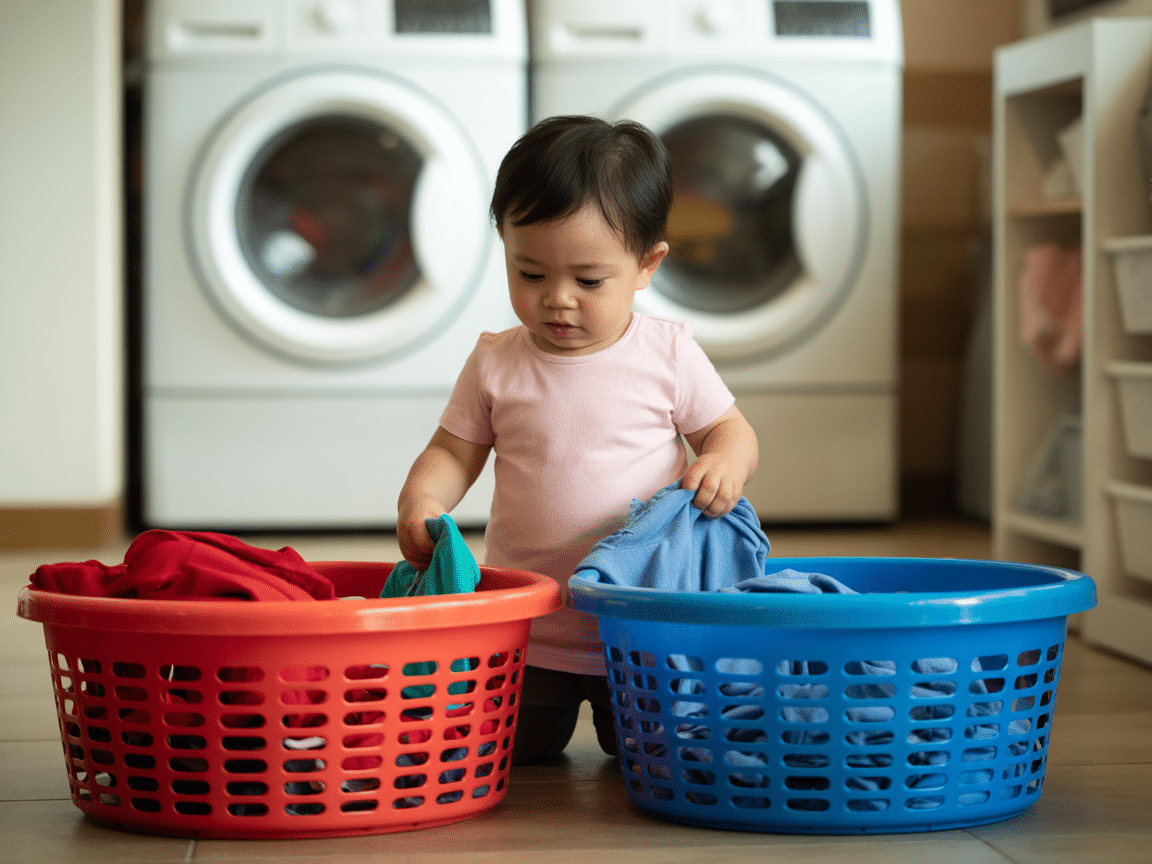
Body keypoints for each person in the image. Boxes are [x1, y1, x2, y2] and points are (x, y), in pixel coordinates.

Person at [396, 115, 759, 764]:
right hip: (531, 625)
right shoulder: (496, 360)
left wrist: (725, 459)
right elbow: (454, 452)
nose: (557, 299)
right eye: (530, 273)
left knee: (644, 751)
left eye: (588, 281)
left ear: (646, 266)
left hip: (636, 621)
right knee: (520, 748)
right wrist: (423, 500)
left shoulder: (666, 352)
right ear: (503, 246)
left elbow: (727, 429)